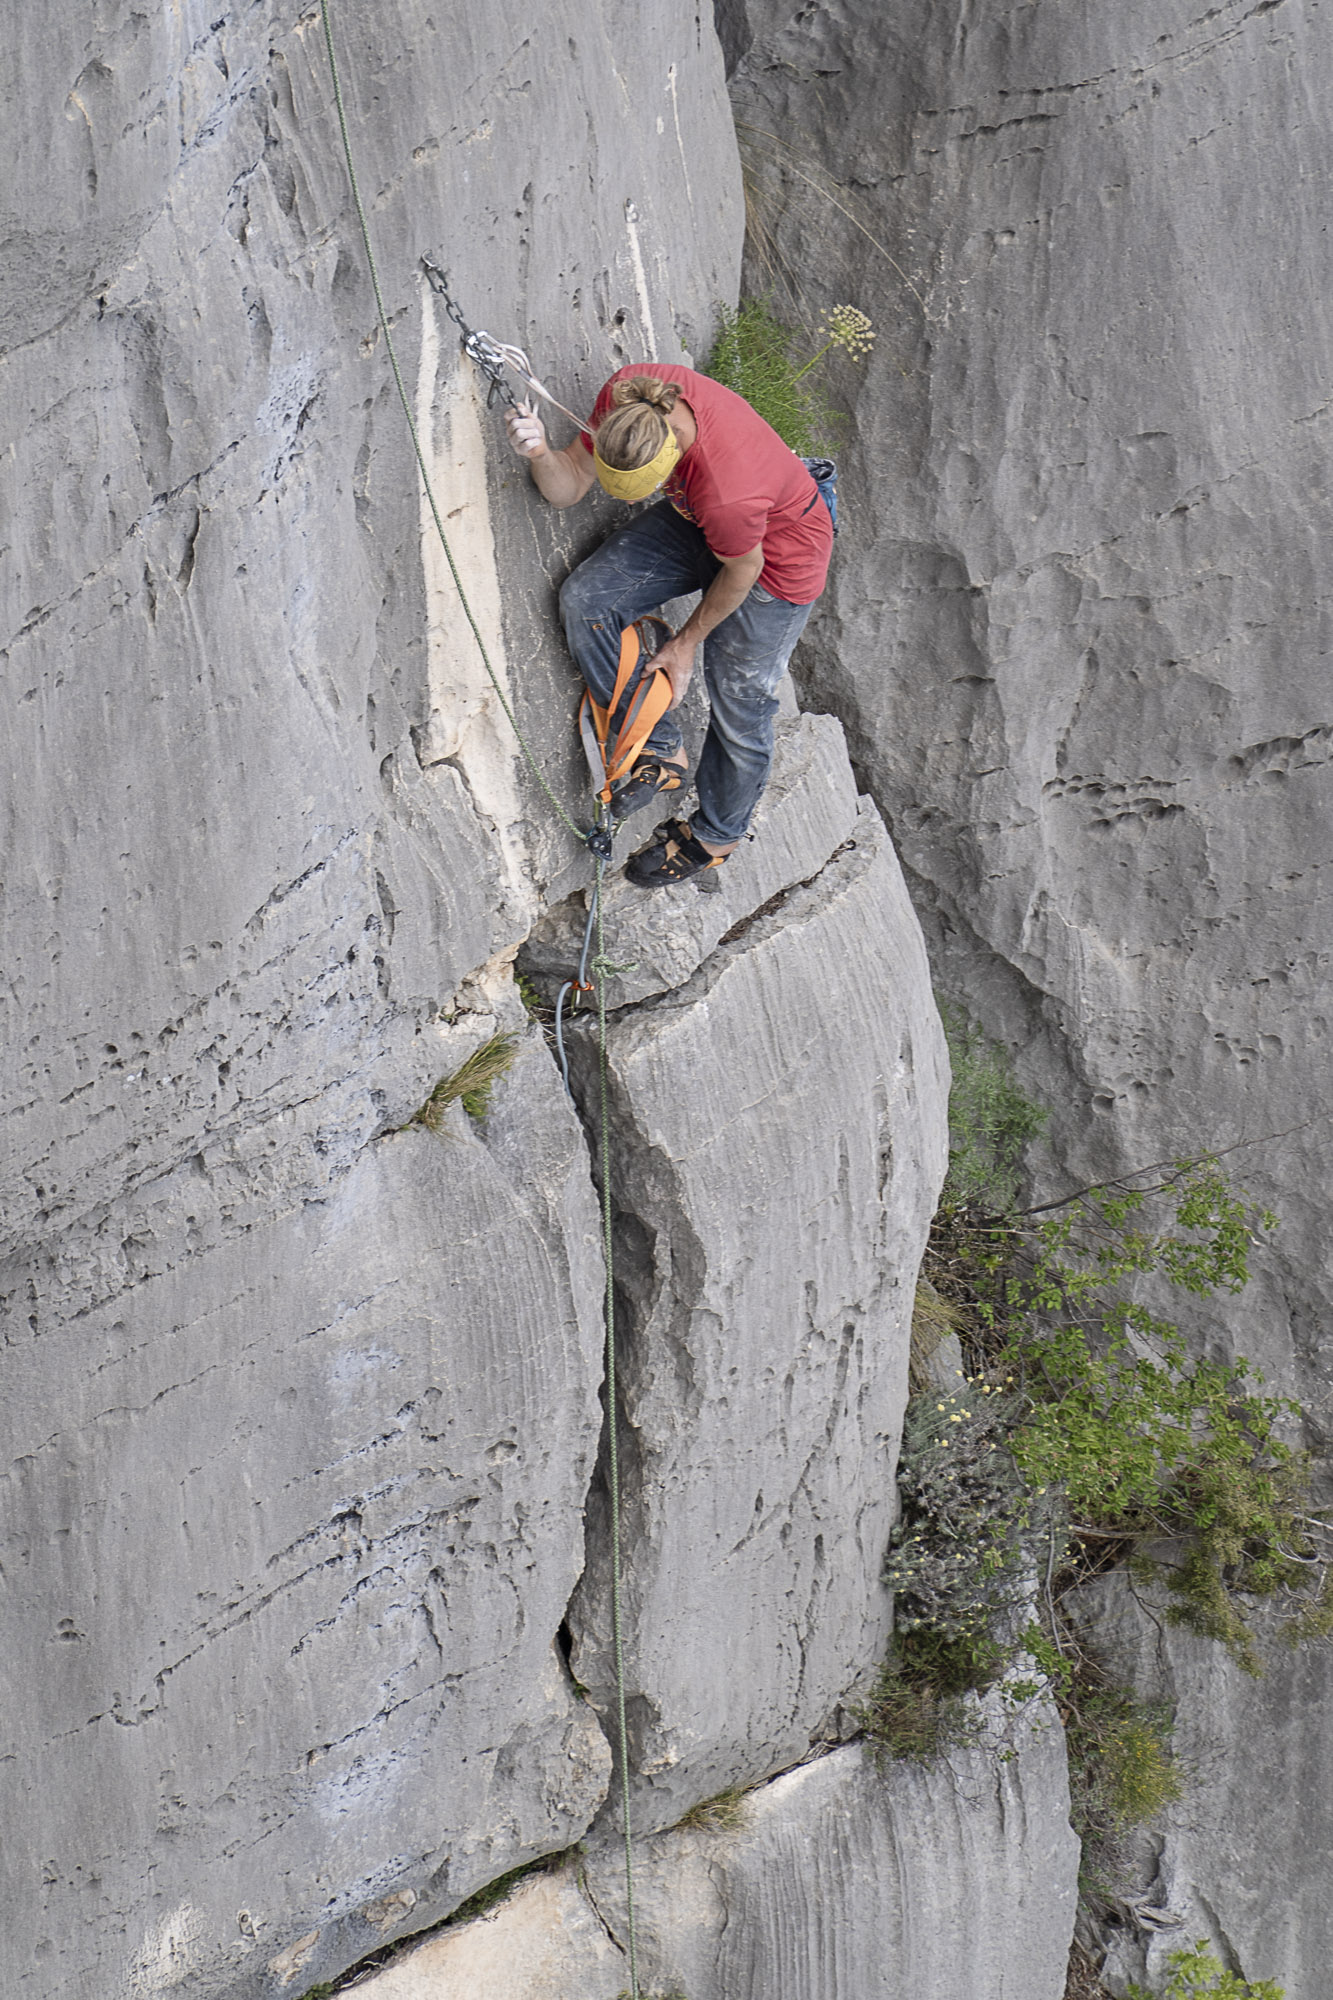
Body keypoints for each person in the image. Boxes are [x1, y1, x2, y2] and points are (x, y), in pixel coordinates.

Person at [505, 363, 834, 887]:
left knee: (741, 703)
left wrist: (684, 645)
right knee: (586, 599)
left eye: (644, 489)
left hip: (776, 559)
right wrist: (541, 452)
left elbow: (743, 569)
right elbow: (567, 487)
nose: (634, 505)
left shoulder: (729, 489)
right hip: (700, 521)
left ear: (674, 450)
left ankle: (716, 837)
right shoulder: (629, 401)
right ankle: (660, 749)